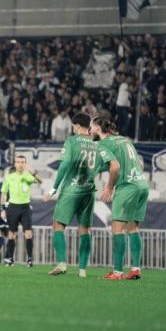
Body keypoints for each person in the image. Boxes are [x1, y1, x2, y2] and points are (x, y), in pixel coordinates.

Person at [92, 116, 149, 280]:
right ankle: (136, 269)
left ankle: (117, 272)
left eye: (91, 127)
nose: (90, 130)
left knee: (117, 229)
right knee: (133, 228)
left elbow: (115, 167)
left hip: (127, 188)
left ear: (97, 127)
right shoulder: (124, 140)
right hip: (142, 185)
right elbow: (141, 163)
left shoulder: (103, 144)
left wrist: (109, 187)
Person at [45, 112, 96, 278]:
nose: (73, 129)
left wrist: (54, 187)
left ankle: (62, 263)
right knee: (85, 230)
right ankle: (82, 270)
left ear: (78, 126)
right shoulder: (96, 142)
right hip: (89, 190)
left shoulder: (72, 141)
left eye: (73, 126)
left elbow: (65, 163)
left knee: (58, 225)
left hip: (71, 189)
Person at [0, 155, 42, 267]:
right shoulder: (9, 177)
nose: (20, 164)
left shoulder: (28, 176)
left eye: (23, 162)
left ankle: (29, 259)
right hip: (12, 207)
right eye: (18, 162)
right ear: (15, 164)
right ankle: (10, 259)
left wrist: (32, 171)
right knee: (11, 234)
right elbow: (3, 193)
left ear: (25, 164)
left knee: (28, 234)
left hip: (25, 207)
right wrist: (2, 209)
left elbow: (40, 181)